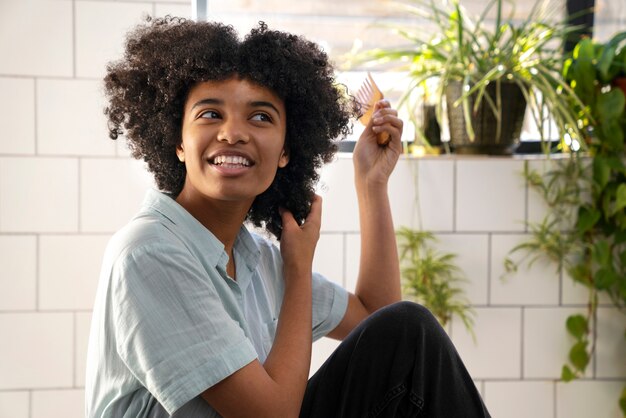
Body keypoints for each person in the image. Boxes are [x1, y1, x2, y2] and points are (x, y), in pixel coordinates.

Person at [85, 16, 491, 418]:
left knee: (410, 329)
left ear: (285, 151)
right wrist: (298, 269)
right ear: (177, 140)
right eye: (210, 113)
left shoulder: (255, 260)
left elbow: (381, 325)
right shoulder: (149, 253)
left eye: (260, 117)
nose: (233, 133)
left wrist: (372, 185)